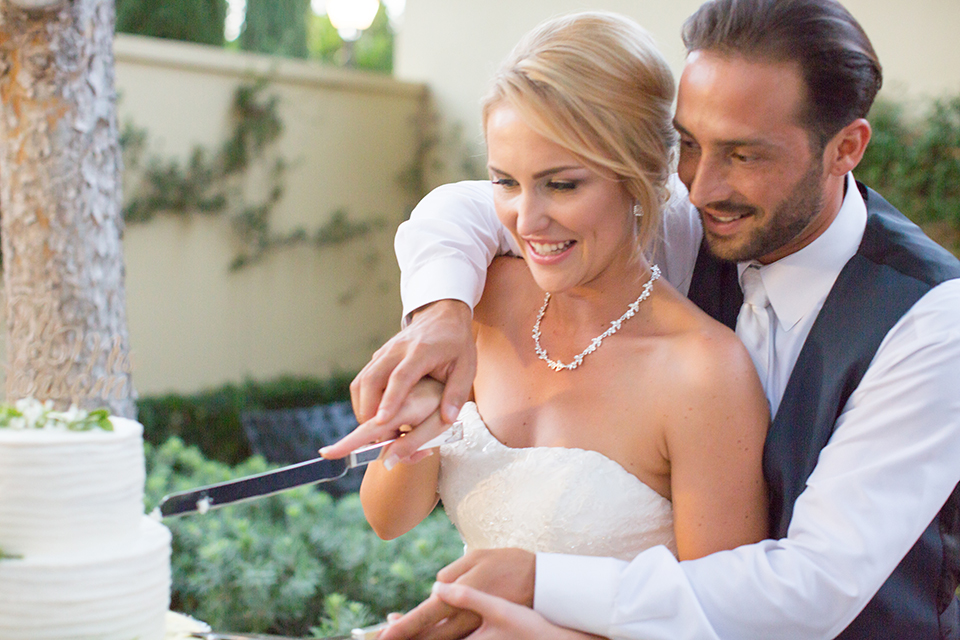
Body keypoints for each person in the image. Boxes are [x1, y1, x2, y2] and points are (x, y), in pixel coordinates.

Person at [344, 0, 960, 638]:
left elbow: (813, 589)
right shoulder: (694, 218)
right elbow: (469, 210)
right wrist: (438, 314)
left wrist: (540, 584)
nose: (697, 183)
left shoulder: (931, 322)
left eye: (744, 155)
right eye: (688, 144)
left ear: (846, 149)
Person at [324, 8, 768, 620]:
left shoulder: (706, 373)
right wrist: (414, 423)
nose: (526, 222)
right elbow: (387, 517)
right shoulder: (481, 300)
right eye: (506, 182)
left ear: (641, 174)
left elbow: (724, 621)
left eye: (561, 185)